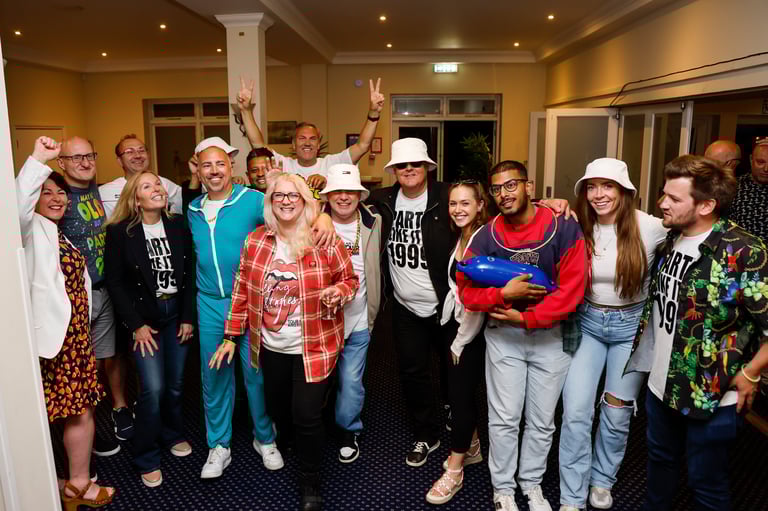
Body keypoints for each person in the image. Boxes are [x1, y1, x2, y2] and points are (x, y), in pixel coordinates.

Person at [625, 155, 768, 511]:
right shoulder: (670, 239)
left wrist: (751, 373)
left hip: (710, 392)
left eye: (673, 198)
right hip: (662, 383)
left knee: (707, 483)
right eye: (663, 194)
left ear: (707, 205)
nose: (662, 203)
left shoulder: (745, 251)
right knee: (659, 464)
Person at [218, 173, 359, 511]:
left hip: (314, 346)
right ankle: (296, 437)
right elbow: (241, 289)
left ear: (305, 201)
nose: (285, 200)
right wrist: (231, 335)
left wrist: (336, 293)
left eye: (293, 195)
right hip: (270, 347)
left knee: (306, 414)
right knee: (279, 407)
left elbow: (349, 279)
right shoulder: (256, 241)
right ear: (269, 202)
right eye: (278, 195)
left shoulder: (324, 239)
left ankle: (310, 480)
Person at [458, 160, 588, 511]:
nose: (504, 194)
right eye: (497, 189)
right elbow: (467, 292)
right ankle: (502, 490)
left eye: (511, 185)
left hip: (550, 337)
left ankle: (531, 484)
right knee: (504, 419)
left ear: (529, 185)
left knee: (543, 421)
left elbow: (573, 289)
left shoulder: (563, 227)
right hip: (504, 338)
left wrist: (528, 316)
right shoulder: (485, 235)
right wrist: (503, 296)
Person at [558, 158, 667, 511]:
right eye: (592, 187)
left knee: (617, 413)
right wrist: (552, 203)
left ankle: (603, 479)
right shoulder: (578, 224)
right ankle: (572, 494)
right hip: (588, 324)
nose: (599, 195)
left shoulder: (650, 227)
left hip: (631, 330)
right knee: (575, 412)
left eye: (608, 186)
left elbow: (693, 228)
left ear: (625, 191)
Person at [16, 136, 115, 510]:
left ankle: (70, 482)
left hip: (75, 339)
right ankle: (77, 485)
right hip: (55, 343)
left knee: (78, 411)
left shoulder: (54, 233)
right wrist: (40, 159)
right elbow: (15, 204)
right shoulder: (25, 232)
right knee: (76, 412)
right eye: (47, 194)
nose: (57, 199)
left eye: (60, 194)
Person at [186, 137, 284, 479]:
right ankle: (219, 445)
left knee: (255, 374)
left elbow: (288, 222)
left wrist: (279, 189)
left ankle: (264, 438)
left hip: (251, 301)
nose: (214, 171)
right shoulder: (192, 209)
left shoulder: (253, 201)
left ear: (231, 168)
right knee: (213, 376)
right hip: (210, 303)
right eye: (206, 165)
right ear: (197, 170)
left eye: (220, 164)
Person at [367, 138, 458, 467]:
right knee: (413, 372)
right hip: (405, 307)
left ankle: (453, 410)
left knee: (455, 368)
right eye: (401, 165)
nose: (408, 170)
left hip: (447, 303)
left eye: (415, 164)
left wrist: (549, 204)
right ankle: (426, 433)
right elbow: (342, 203)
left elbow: (493, 211)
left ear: (427, 168)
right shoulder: (383, 199)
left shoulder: (448, 196)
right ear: (393, 171)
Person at [104, 171, 197, 488]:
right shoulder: (120, 232)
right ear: (135, 198)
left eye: (157, 184)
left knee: (175, 385)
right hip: (145, 321)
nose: (156, 188)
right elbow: (115, 284)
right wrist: (137, 325)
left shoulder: (177, 224)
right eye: (147, 186)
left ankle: (173, 435)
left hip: (176, 317)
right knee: (153, 389)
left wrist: (187, 316)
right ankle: (146, 456)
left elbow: (190, 273)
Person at [56, 136, 130, 455]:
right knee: (83, 364)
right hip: (75, 296)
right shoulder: (58, 197)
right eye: (76, 158)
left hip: (106, 288)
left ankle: (120, 407)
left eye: (89, 155)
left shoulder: (98, 193)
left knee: (110, 354)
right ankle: (85, 425)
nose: (85, 163)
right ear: (61, 163)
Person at [425, 181, 489, 505]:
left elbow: (478, 302)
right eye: (453, 203)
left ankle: (455, 469)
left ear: (480, 204)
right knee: (455, 389)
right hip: (457, 322)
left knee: (461, 396)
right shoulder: (463, 235)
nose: (458, 209)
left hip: (473, 330)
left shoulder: (483, 239)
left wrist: (459, 342)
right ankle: (473, 447)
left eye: (465, 203)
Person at [318, 163, 382, 463]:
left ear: (360, 195)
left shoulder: (375, 221)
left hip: (358, 317)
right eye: (337, 192)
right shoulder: (311, 223)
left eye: (350, 192)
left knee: (351, 381)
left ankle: (348, 430)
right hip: (319, 320)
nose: (344, 197)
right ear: (327, 197)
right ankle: (310, 427)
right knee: (317, 380)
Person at [237, 76, 385, 191]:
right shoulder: (283, 164)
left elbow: (363, 145)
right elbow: (258, 144)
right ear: (294, 144)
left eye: (312, 139)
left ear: (318, 145)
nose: (307, 143)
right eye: (302, 138)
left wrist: (374, 113)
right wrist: (246, 111)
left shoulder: (332, 163)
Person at [99, 134, 183, 218]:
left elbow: (183, 198)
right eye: (129, 152)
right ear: (120, 161)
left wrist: (170, 219)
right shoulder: (104, 192)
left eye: (142, 150)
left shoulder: (162, 183)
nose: (138, 156)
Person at [727, 138, 768, 243]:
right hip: (739, 255)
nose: (766, 168)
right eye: (760, 162)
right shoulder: (733, 186)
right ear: (751, 160)